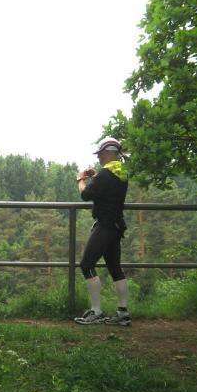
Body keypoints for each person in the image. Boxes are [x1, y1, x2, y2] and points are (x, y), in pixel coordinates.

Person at [74, 137, 131, 326]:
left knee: (86, 265)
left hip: (105, 226)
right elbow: (107, 188)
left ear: (108, 153)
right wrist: (96, 176)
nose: (98, 157)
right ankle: (123, 313)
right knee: (115, 268)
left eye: (100, 154)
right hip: (116, 226)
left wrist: (81, 179)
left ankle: (96, 311)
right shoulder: (121, 172)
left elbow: (86, 194)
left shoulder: (106, 174)